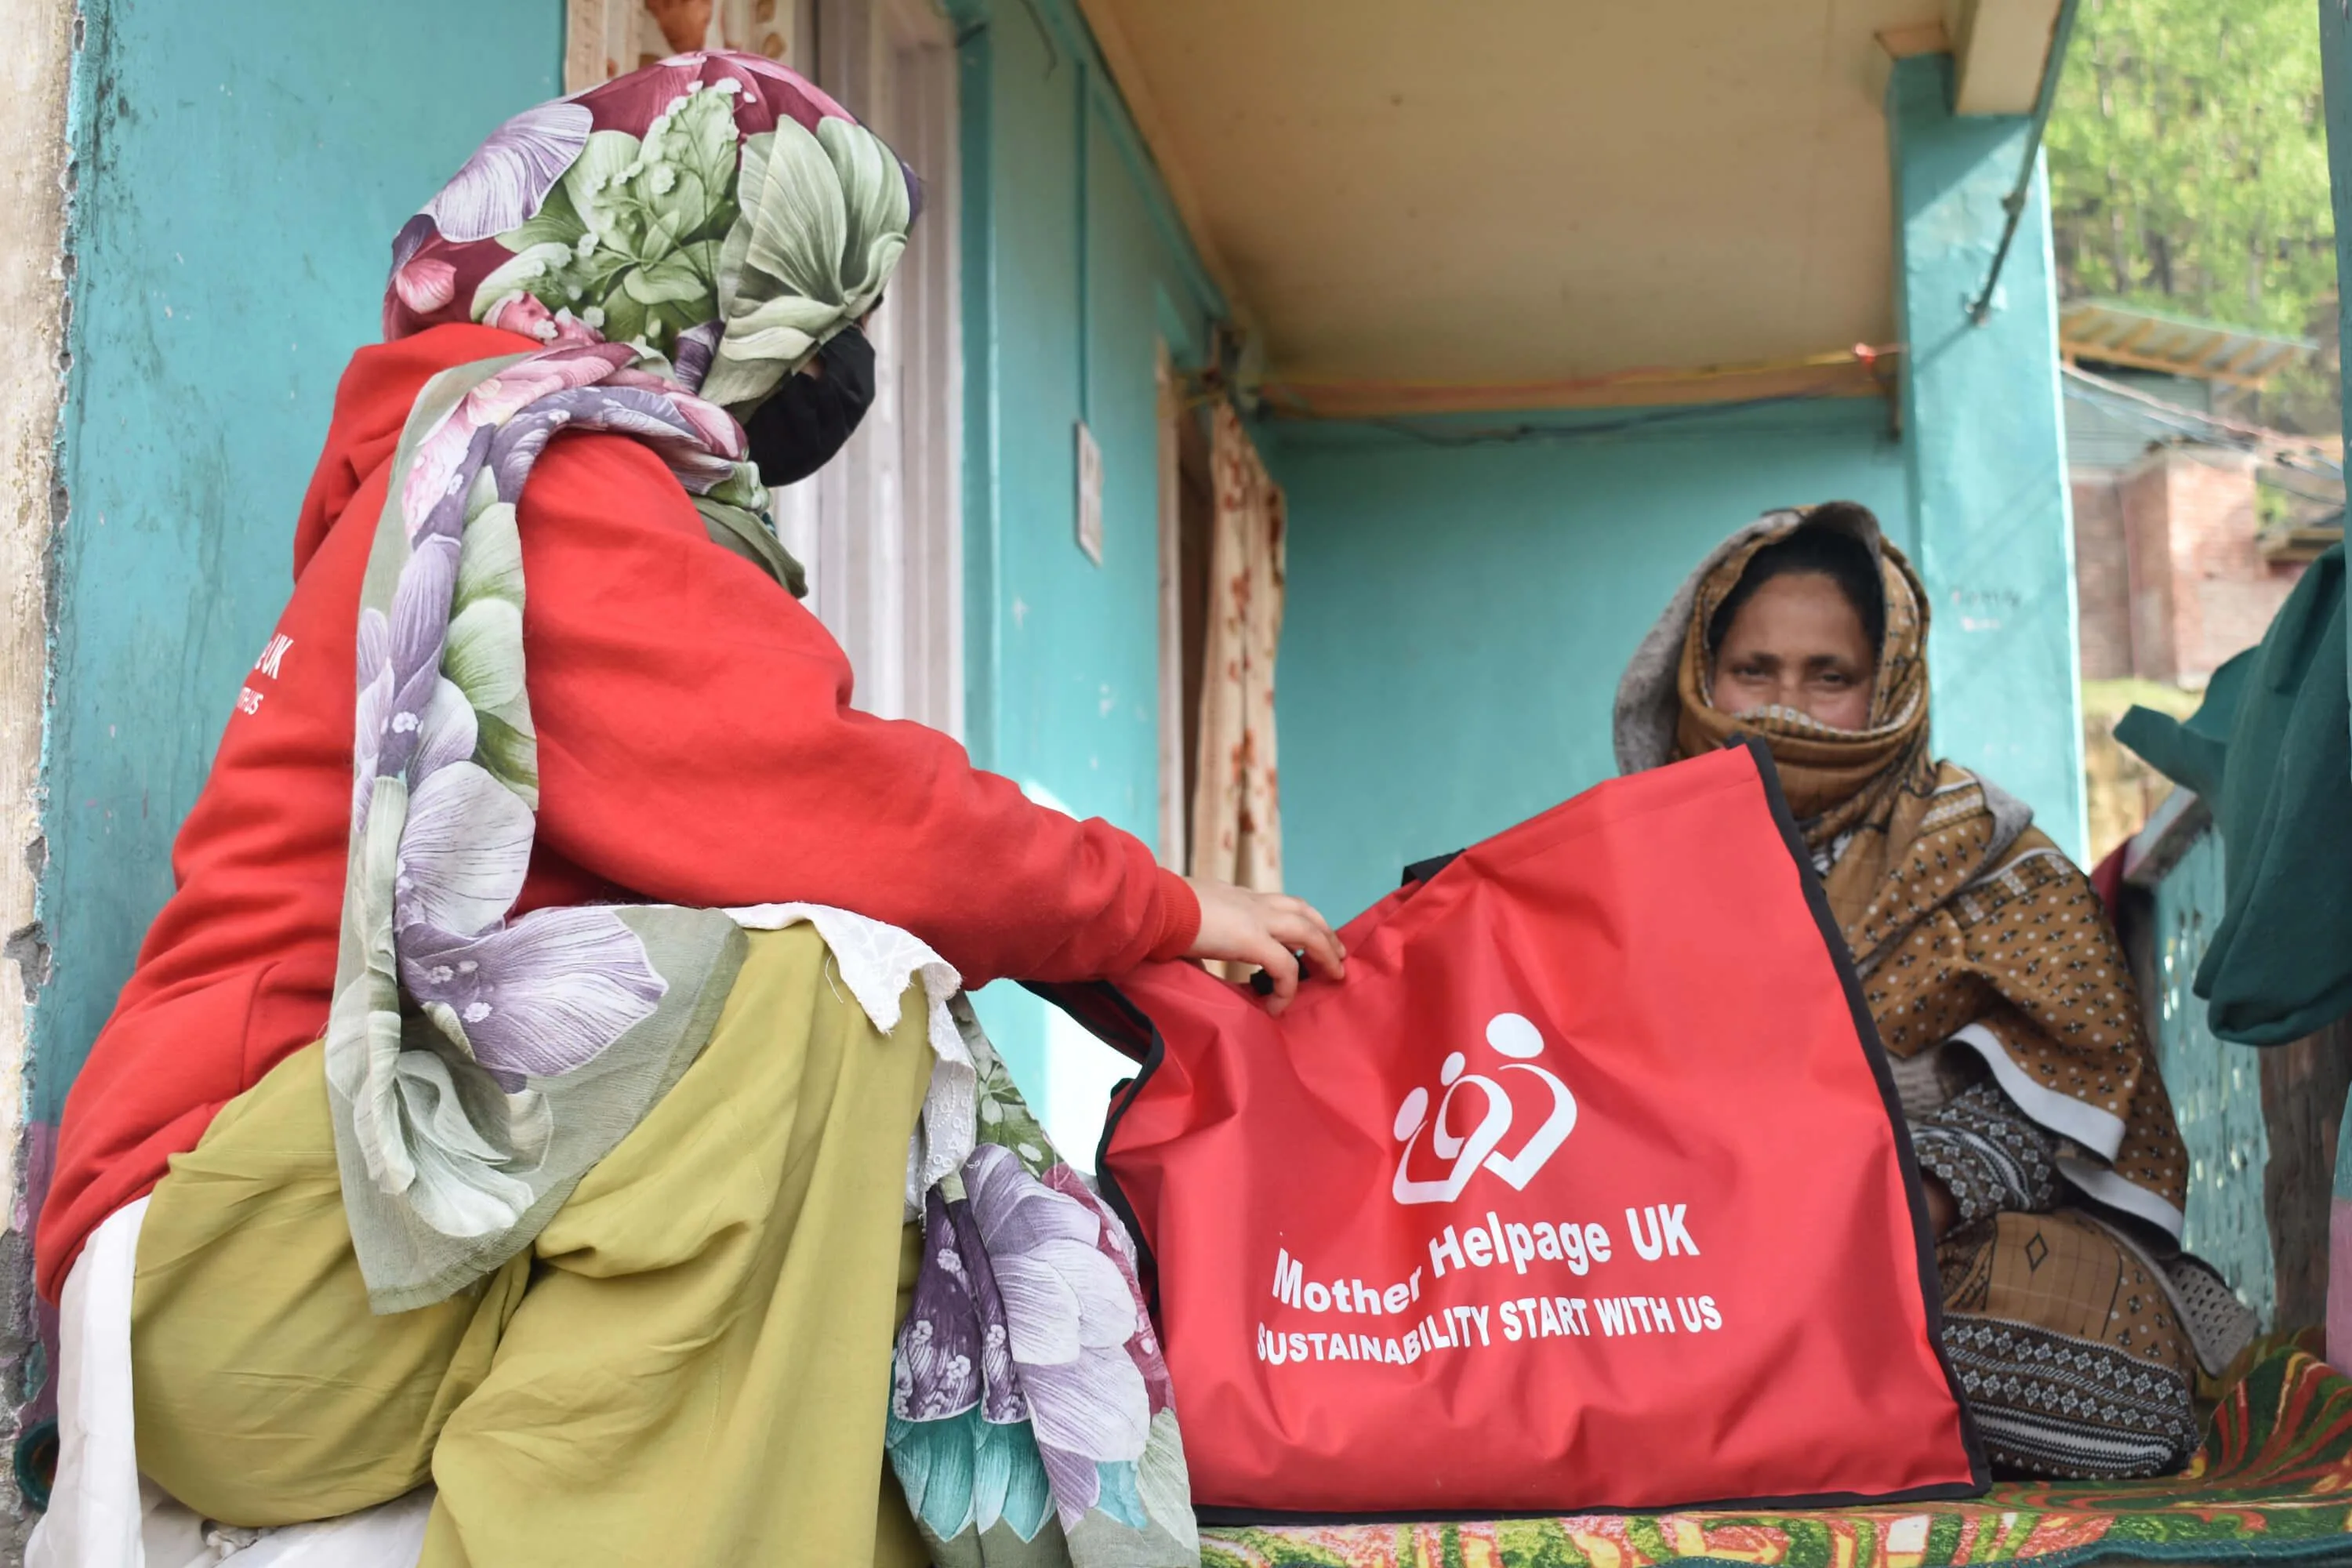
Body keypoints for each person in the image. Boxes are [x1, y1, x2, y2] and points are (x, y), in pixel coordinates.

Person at [35, 53, 1338, 1566]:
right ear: (697, 268)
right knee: (820, 995)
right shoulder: (544, 477)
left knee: (858, 1314)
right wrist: (1161, 908)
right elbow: (844, 812)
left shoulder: (499, 465)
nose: (837, 363)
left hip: (324, 1277)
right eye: (822, 306)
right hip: (237, 1274)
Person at [1614, 502, 2251, 1480]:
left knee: (2114, 1371)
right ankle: (1764, 1394)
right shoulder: (1623, 863)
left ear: (1890, 683)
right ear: (1701, 676)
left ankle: (1740, 1404)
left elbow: (2076, 1091)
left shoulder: (1986, 855)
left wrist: (1917, 1194)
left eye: (1831, 676)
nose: (1787, 705)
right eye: (1754, 670)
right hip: (1677, 1249)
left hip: (1911, 1245)